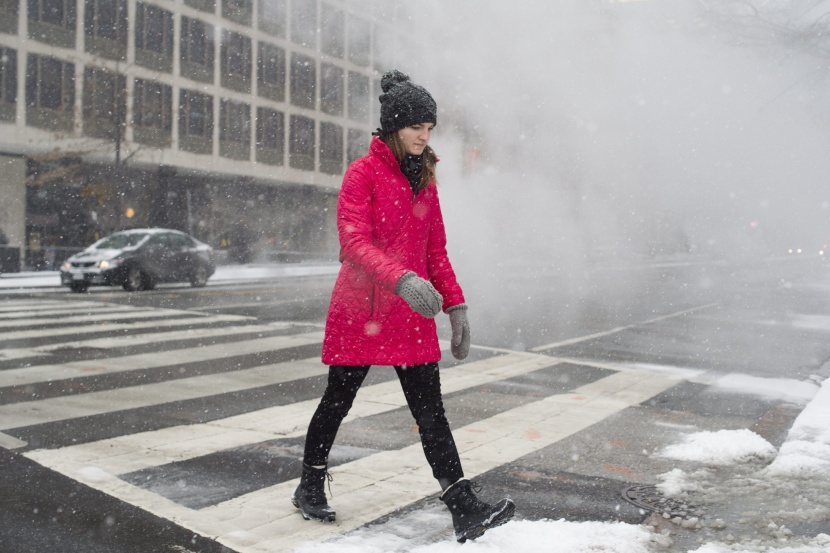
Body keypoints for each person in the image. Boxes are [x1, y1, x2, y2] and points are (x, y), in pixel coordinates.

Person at [291, 69, 515, 543]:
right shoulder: (363, 173)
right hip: (363, 311)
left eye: (430, 129)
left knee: (431, 412)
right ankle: (309, 485)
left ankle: (463, 507)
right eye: (417, 127)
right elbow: (353, 242)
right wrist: (402, 278)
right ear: (394, 126)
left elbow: (436, 252)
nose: (424, 136)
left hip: (410, 317)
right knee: (337, 401)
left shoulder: (426, 182)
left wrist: (456, 307)